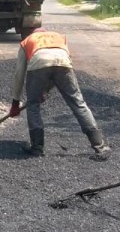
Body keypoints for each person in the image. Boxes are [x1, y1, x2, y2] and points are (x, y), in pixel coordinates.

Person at [8, 28, 110, 160]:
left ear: (35, 34)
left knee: (33, 105)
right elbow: (58, 68)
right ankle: (99, 146)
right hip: (63, 63)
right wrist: (43, 91)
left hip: (38, 64)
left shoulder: (27, 41)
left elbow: (19, 74)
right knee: (78, 103)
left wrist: (15, 102)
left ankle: (37, 148)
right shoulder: (60, 37)